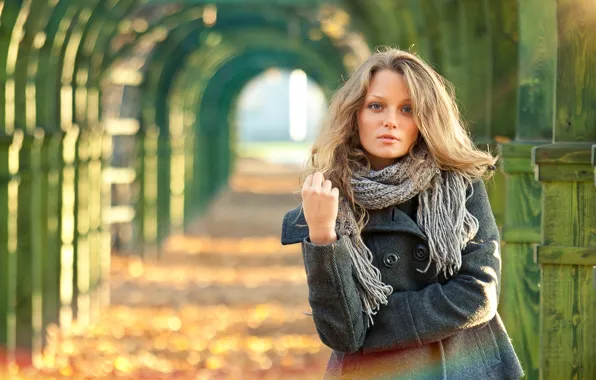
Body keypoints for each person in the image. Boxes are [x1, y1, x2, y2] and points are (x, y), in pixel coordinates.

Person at [280, 48, 524, 379]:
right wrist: (323, 235)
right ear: (355, 114)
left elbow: (478, 292)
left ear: (426, 119)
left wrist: (371, 328)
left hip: (463, 368)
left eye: (407, 109)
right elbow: (341, 333)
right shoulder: (330, 201)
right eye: (376, 106)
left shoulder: (459, 188)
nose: (390, 121)